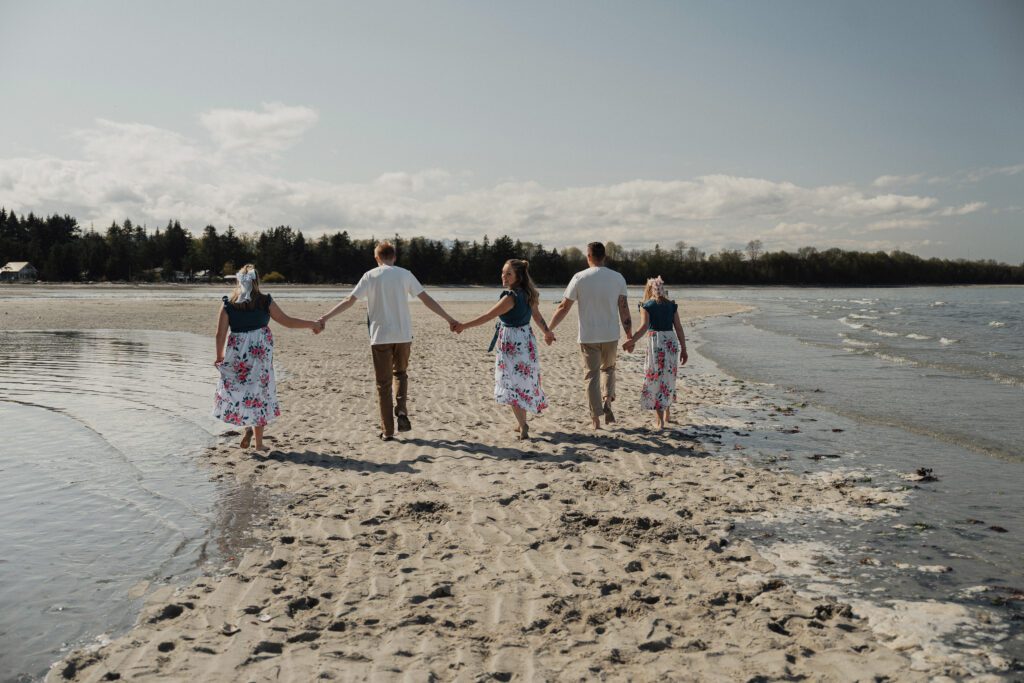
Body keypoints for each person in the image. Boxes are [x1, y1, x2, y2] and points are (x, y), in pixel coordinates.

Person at [316, 241, 456, 441]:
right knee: (401, 374)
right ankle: (401, 410)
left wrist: (324, 319)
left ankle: (388, 430)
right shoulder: (405, 274)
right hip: (403, 336)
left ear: (377, 258)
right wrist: (449, 319)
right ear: (395, 257)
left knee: (383, 384)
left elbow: (349, 300)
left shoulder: (370, 275)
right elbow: (427, 299)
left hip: (380, 336)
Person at [213, 264, 323, 450]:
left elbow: (220, 334)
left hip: (238, 355)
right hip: (259, 356)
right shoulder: (265, 302)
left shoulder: (228, 304)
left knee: (241, 390)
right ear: (257, 282)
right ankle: (259, 443)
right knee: (259, 393)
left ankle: (247, 426)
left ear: (238, 281)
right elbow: (287, 321)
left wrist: (219, 356)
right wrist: (312, 324)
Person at [453, 259, 553, 439]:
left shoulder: (510, 297)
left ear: (518, 276)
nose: (504, 277)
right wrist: (547, 332)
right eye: (503, 273)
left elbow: (487, 316)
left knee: (511, 382)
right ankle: (520, 421)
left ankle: (523, 425)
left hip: (512, 342)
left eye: (508, 274)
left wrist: (463, 326)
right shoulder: (528, 294)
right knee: (522, 381)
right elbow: (537, 317)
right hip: (526, 339)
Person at [547, 242, 632, 429]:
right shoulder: (618, 278)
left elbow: (563, 307)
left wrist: (549, 329)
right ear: (605, 257)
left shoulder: (579, 277)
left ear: (589, 256)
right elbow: (624, 309)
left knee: (591, 376)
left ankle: (595, 419)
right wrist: (629, 335)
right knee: (609, 369)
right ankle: (607, 400)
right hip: (610, 334)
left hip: (588, 335)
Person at [622, 276, 688, 430]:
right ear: (662, 289)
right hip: (671, 342)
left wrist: (631, 341)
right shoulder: (671, 305)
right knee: (668, 376)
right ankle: (667, 414)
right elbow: (678, 328)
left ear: (649, 289)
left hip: (656, 343)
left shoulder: (646, 305)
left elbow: (644, 327)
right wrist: (684, 349)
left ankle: (660, 421)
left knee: (656, 377)